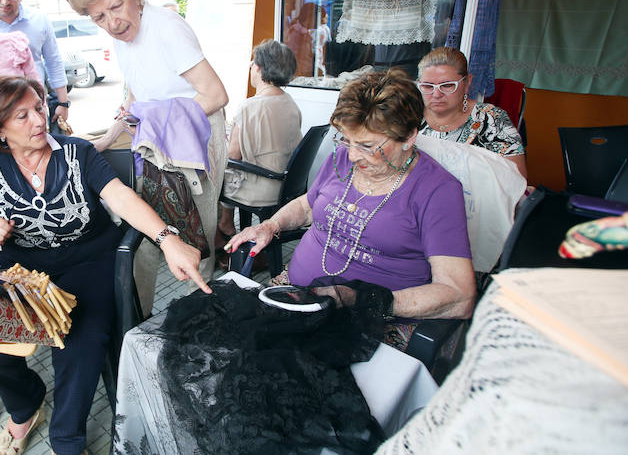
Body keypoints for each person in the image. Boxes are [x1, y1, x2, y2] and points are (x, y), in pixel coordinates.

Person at [0, 75, 209, 455]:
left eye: (39, 109)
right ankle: (25, 407)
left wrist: (167, 239)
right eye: (22, 116)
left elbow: (120, 197)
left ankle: (67, 440)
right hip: (24, 268)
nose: (39, 121)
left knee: (79, 339)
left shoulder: (77, 153)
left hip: (88, 260)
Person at [225, 69, 476, 333]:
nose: (353, 155)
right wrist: (270, 226)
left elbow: (460, 296)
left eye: (367, 146)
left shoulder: (437, 191)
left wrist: (361, 299)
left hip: (370, 320)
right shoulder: (342, 157)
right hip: (298, 294)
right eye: (347, 140)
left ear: (409, 136)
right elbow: (307, 206)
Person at [62, 0, 229, 310]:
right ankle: (138, 318)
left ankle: (201, 312)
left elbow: (216, 94)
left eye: (116, 6)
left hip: (195, 138)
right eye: (99, 17)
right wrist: (108, 138)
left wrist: (159, 121)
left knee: (198, 233)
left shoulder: (167, 27)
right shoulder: (122, 38)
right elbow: (136, 95)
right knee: (145, 229)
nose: (112, 22)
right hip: (158, 138)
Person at [217, 39, 302, 247]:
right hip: (286, 184)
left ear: (259, 68)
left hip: (262, 187)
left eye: (252, 63)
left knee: (213, 174)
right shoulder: (291, 103)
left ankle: (225, 225)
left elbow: (233, 155)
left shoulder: (249, 107)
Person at [0, 0, 72, 133]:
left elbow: (53, 61)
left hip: (36, 110)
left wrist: (63, 103)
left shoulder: (39, 21)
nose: (4, 0)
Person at [417, 47, 527, 178]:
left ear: (467, 82)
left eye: (447, 85)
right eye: (427, 86)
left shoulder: (492, 119)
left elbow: (517, 179)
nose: (436, 94)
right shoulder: (410, 116)